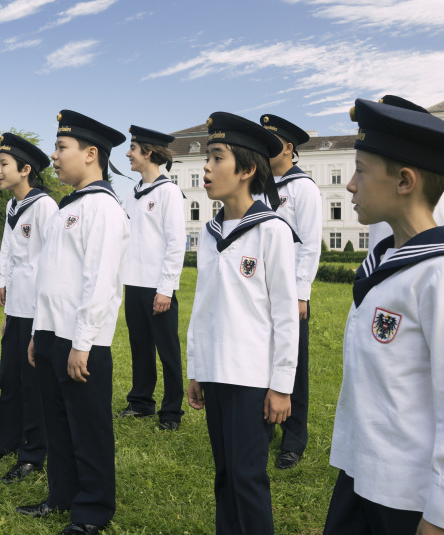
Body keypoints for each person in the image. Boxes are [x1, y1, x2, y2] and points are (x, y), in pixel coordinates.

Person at [323, 98, 444, 535]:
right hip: (360, 474)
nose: (350, 185)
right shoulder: (390, 257)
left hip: (408, 495)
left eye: (361, 170)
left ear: (404, 181)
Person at [16, 110, 129, 535]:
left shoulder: (103, 208)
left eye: (62, 148)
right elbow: (52, 278)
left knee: (88, 429)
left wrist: (82, 342)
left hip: (83, 342)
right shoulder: (70, 207)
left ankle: (92, 511)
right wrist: (37, 333)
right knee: (58, 424)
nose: (55, 156)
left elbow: (99, 282)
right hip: (51, 334)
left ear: (91, 153)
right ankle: (60, 497)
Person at [185, 111, 299, 534]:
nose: (206, 168)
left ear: (247, 169)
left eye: (216, 158)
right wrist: (197, 368)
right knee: (225, 473)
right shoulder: (210, 231)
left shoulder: (272, 231)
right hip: (216, 371)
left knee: (249, 476)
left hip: (252, 378)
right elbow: (203, 306)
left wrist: (281, 385)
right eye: (207, 158)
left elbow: (285, 314)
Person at [0, 132, 57, 484]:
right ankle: (5, 443)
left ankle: (33, 454)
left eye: (3, 165)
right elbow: (7, 249)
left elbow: (52, 262)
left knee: (32, 383)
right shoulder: (12, 206)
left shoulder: (44, 206)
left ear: (25, 170)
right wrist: (3, 284)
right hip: (17, 307)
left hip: (38, 310)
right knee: (9, 378)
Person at [259, 113, 321, 469]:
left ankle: (293, 439)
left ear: (287, 148)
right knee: (265, 361)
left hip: (290, 294)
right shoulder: (259, 184)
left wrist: (301, 293)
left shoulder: (303, 188)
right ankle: (265, 425)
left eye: (270, 143)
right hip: (261, 291)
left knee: (293, 366)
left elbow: (310, 244)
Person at [118, 125, 186, 431]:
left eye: (133, 148)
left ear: (148, 152)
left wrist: (166, 289)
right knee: (139, 347)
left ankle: (171, 411)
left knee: (168, 351)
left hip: (158, 288)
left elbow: (175, 242)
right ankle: (141, 402)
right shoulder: (133, 193)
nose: (128, 154)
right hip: (134, 283)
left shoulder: (168, 192)